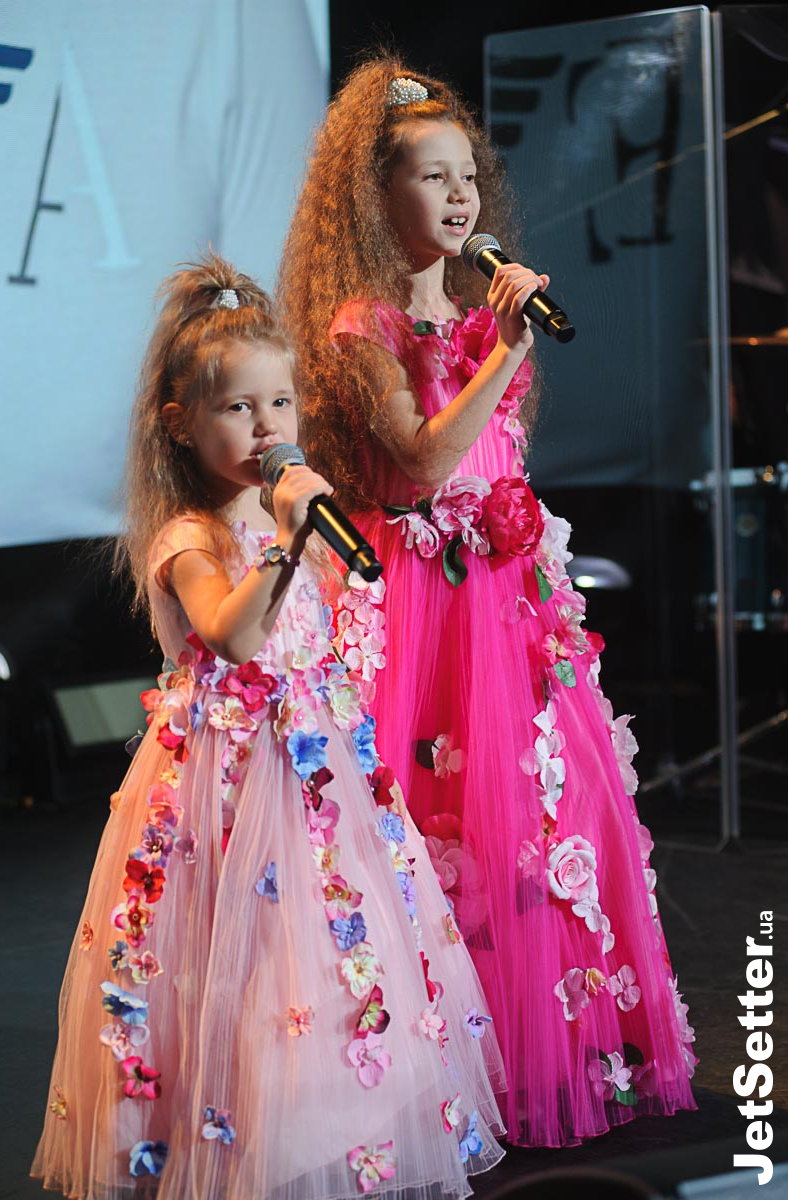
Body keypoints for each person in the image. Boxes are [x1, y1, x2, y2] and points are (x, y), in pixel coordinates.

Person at [279, 56, 698, 1148]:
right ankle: (432, 1078)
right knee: (433, 823)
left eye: (467, 174)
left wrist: (503, 345)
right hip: (422, 607)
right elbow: (421, 463)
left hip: (507, 598)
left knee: (536, 816)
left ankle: (537, 1050)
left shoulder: (479, 307)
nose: (460, 196)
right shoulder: (361, 325)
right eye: (431, 177)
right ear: (377, 197)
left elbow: (494, 461)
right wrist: (506, 352)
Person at [30, 253, 507, 1199]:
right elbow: (234, 634)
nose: (267, 428)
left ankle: (327, 1128)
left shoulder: (299, 518)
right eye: (239, 408)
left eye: (279, 404)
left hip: (315, 773)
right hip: (224, 783)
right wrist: (289, 539)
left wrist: (305, 541)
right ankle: (234, 1135)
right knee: (233, 956)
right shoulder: (192, 538)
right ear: (181, 423)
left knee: (330, 947)